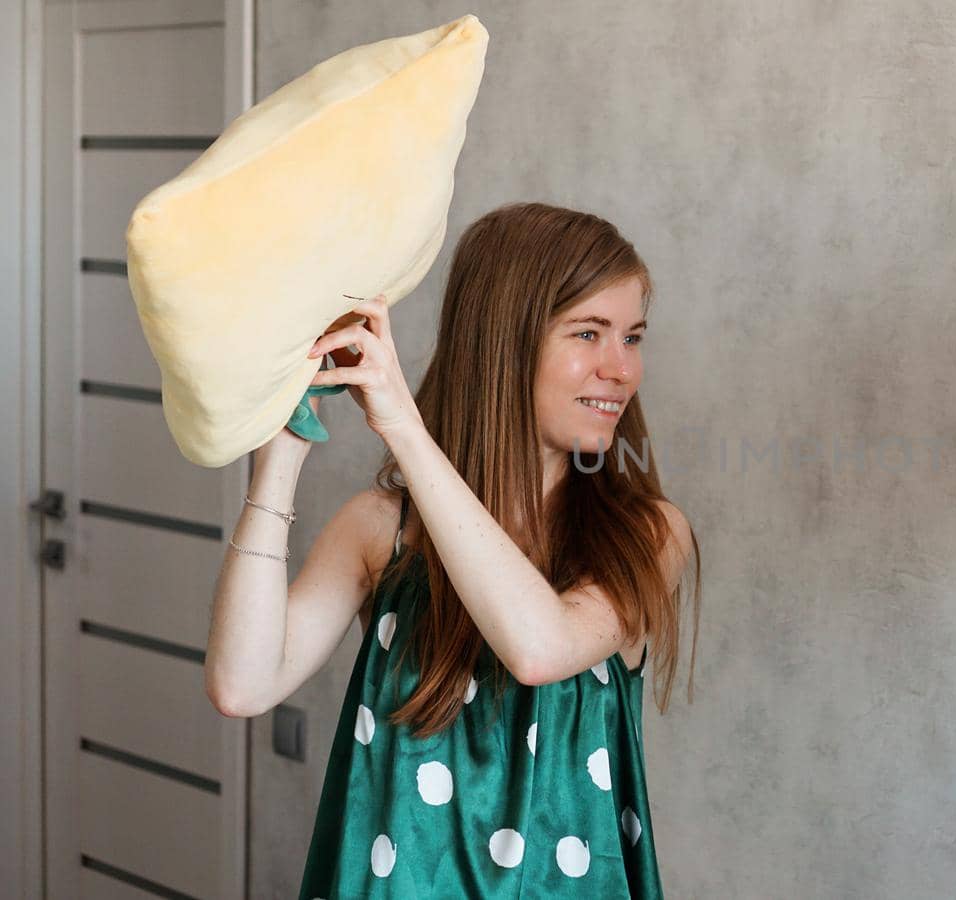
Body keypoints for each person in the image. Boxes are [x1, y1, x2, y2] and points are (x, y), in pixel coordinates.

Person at [204, 202, 700, 898]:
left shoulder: (646, 534)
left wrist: (403, 425)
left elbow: (537, 649)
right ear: (503, 344)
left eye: (633, 337)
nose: (621, 369)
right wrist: (282, 445)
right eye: (589, 333)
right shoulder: (381, 530)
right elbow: (242, 684)